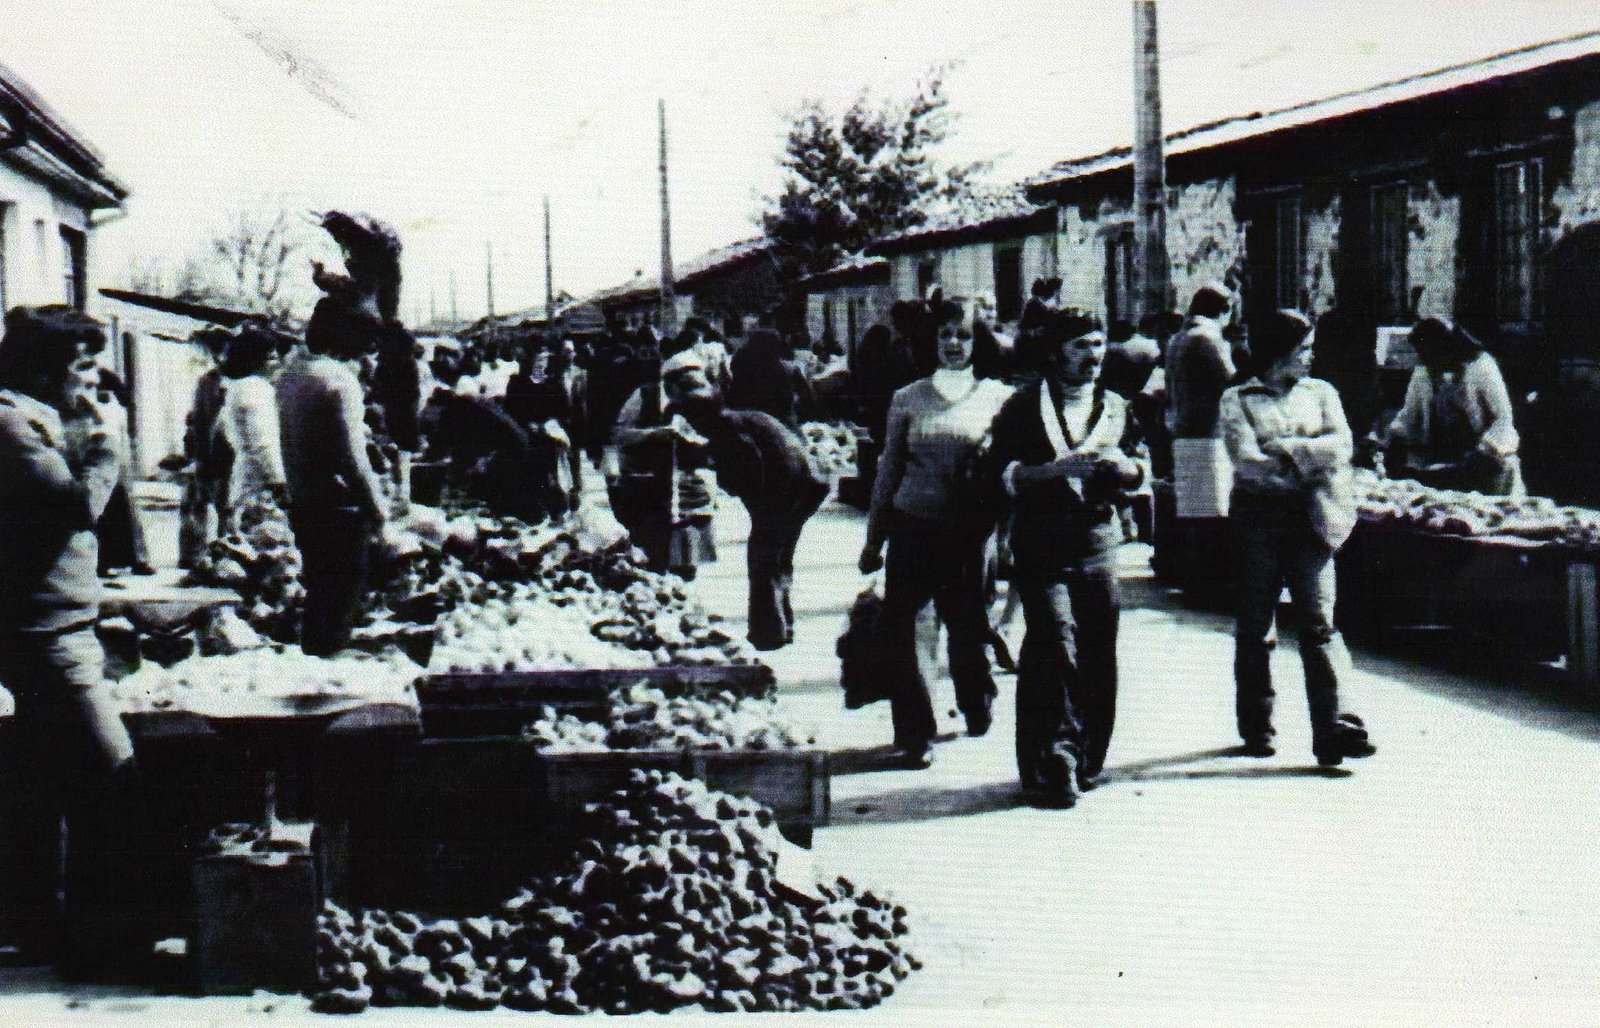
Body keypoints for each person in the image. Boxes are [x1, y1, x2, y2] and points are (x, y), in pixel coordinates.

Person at [0, 305, 141, 970]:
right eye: (81, 367)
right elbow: (76, 507)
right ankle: (99, 942)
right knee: (112, 780)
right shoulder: (10, 425)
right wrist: (110, 443)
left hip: (55, 623)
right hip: (45, 634)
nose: (91, 382)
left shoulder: (32, 419)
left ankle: (45, 928)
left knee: (41, 785)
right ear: (44, 371)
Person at [986, 308, 1144, 807]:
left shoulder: (1116, 407)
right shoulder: (1023, 406)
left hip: (1097, 540)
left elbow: (1142, 469)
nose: (1093, 356)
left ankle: (1086, 757)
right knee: (1054, 641)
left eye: (1098, 344)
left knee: (1097, 646)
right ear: (1056, 352)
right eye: (1081, 346)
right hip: (1041, 540)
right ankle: (1051, 759)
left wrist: (1126, 469)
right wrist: (1055, 470)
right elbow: (1000, 474)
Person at [858, 294, 1013, 767]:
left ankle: (976, 699)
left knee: (968, 627)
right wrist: (874, 538)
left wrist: (1008, 539)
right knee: (910, 631)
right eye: (945, 334)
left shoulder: (999, 398)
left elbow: (1011, 473)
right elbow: (888, 470)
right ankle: (916, 732)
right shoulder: (907, 398)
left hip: (970, 534)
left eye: (964, 335)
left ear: (979, 341)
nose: (953, 344)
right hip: (913, 528)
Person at [1218, 309, 1376, 766]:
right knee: (1255, 625)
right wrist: (1312, 457)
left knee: (1319, 622)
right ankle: (1257, 725)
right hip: (1258, 519)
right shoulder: (1238, 399)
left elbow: (1342, 445)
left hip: (1313, 516)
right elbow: (1246, 461)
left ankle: (1336, 729)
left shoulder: (1322, 393)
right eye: (1303, 349)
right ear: (1279, 352)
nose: (1310, 357)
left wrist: (1288, 449)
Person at [664, 350, 829, 651]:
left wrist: (750, 500)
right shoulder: (733, 418)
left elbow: (750, 466)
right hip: (805, 482)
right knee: (778, 557)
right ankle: (782, 624)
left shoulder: (724, 425)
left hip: (787, 487)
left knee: (763, 557)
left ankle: (769, 632)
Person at [276, 299, 391, 656]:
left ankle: (314, 672)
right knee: (339, 609)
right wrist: (379, 513)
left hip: (304, 500)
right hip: (339, 509)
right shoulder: (338, 380)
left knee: (319, 603)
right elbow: (353, 460)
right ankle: (329, 676)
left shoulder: (289, 374)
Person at [1383, 317, 1522, 495]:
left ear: (1445, 347)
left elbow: (1503, 419)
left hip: (1487, 469)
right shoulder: (1423, 371)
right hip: (1443, 467)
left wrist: (1487, 450)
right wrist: (1396, 437)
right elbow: (1409, 416)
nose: (1425, 360)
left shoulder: (1481, 367)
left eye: (1430, 353)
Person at [1163, 283, 1240, 599]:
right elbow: (1231, 380)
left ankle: (1193, 579)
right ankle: (1208, 584)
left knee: (1194, 509)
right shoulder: (1208, 338)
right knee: (1213, 511)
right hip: (1209, 431)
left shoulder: (1178, 338)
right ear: (1225, 309)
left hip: (1183, 428)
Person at [216, 323, 288, 528]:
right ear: (254, 360)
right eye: (272, 358)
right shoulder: (255, 389)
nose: (278, 363)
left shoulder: (236, 388)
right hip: (261, 485)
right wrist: (280, 483)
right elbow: (263, 443)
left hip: (244, 478)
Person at [178, 328, 233, 568]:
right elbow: (199, 418)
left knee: (225, 505)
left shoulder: (223, 382)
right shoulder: (207, 381)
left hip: (225, 450)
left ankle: (225, 555)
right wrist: (197, 454)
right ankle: (194, 556)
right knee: (201, 502)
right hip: (209, 449)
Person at [727, 327, 812, 430]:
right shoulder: (786, 371)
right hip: (775, 425)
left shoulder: (741, 367)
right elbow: (805, 402)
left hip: (745, 423)